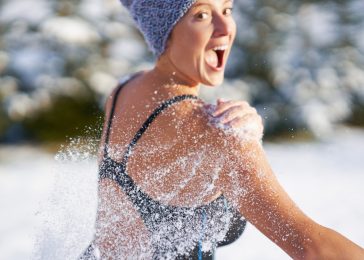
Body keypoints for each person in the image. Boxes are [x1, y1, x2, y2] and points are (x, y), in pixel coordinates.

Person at [80, 0, 364, 259]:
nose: (225, 27)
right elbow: (311, 247)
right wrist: (235, 139)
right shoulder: (213, 133)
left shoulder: (124, 90)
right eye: (201, 14)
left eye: (227, 9)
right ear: (163, 30)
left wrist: (246, 138)